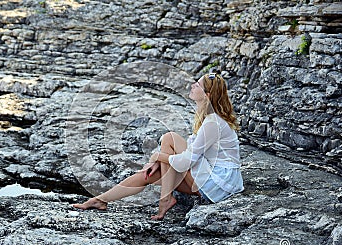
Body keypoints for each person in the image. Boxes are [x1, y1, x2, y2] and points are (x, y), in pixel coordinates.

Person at [72, 72, 244, 220]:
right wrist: (159, 160)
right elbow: (190, 148)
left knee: (169, 139)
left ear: (206, 95)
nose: (192, 85)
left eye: (197, 85)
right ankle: (100, 200)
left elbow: (187, 161)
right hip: (212, 177)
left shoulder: (213, 123)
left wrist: (157, 157)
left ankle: (165, 199)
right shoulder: (207, 118)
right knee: (152, 172)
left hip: (218, 184)